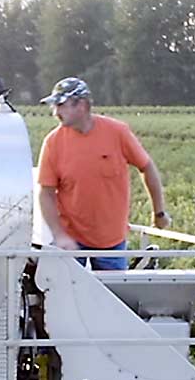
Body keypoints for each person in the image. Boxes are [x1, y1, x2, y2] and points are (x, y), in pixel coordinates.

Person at [36, 77, 170, 271]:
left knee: (113, 298)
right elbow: (46, 193)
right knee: (67, 298)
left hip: (111, 242)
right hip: (71, 243)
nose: (56, 113)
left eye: (61, 105)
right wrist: (59, 235)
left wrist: (159, 213)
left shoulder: (117, 132)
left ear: (81, 105)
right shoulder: (53, 143)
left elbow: (147, 167)